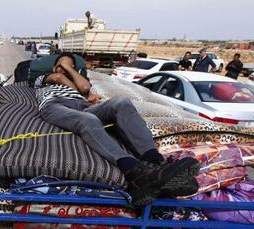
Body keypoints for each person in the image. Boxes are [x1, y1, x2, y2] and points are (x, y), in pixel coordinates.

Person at [34, 53, 200, 206]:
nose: (63, 69)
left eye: (68, 66)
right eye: (61, 65)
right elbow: (69, 83)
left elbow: (85, 89)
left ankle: (156, 162)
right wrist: (71, 77)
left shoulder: (79, 82)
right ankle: (133, 171)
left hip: (82, 106)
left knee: (121, 101)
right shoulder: (43, 79)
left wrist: (75, 78)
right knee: (88, 120)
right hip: (55, 106)